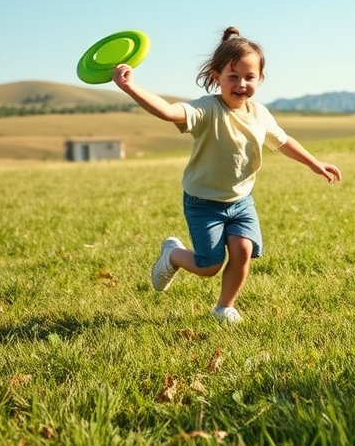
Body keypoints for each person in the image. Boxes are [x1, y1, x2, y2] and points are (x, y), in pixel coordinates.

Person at [112, 27, 342, 324]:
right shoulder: (208, 109)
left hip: (241, 200)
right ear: (216, 76)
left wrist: (314, 163)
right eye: (233, 77)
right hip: (203, 201)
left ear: (260, 79)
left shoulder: (260, 113)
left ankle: (224, 308)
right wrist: (131, 87)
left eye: (250, 77)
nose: (241, 84)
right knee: (208, 266)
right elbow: (169, 112)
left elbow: (283, 141)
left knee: (243, 249)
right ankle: (173, 255)